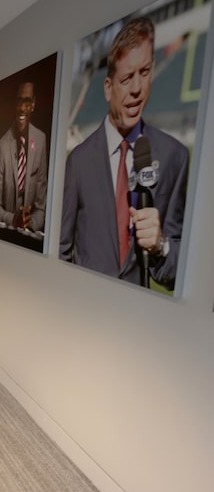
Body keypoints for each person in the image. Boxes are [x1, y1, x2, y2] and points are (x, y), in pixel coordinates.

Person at [60, 17, 188, 290]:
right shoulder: (79, 161)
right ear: (107, 88)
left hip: (137, 323)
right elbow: (61, 252)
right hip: (83, 313)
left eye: (144, 72)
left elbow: (179, 272)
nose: (136, 89)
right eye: (127, 78)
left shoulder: (174, 157)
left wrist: (160, 245)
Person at [0, 81, 48, 231]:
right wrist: (14, 220)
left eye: (27, 102)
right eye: (19, 102)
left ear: (33, 104)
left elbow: (41, 207)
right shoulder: (2, 146)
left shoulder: (41, 140)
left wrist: (31, 223)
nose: (22, 108)